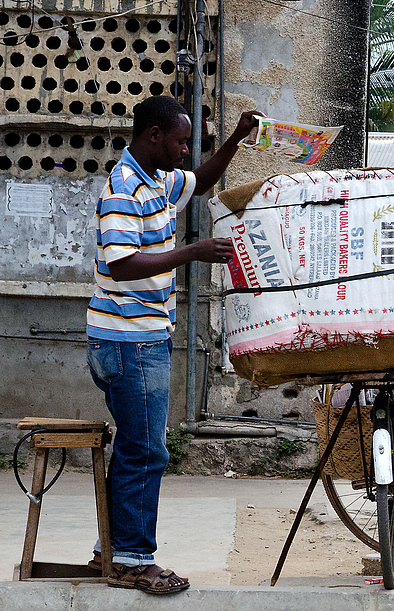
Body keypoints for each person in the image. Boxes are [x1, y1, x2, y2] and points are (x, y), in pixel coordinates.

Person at [86, 95, 258, 594]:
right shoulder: (124, 188)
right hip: (128, 341)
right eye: (181, 141)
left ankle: (115, 551)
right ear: (154, 136)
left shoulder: (157, 180)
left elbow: (201, 181)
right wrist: (193, 252)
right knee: (145, 451)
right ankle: (134, 562)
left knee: (136, 448)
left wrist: (238, 137)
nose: (186, 150)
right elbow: (121, 264)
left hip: (138, 338)